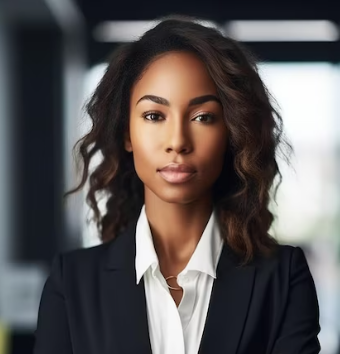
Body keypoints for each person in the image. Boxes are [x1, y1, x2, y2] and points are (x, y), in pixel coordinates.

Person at [33, 15, 321, 354]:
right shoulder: (72, 284)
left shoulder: (283, 278)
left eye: (203, 117)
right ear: (127, 132)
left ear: (231, 132)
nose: (178, 141)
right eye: (154, 116)